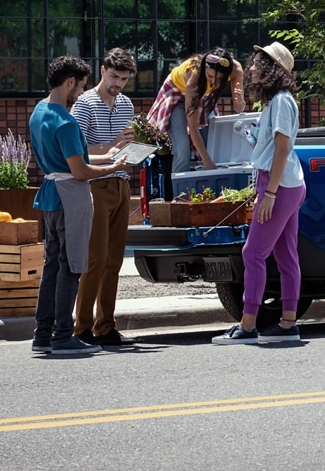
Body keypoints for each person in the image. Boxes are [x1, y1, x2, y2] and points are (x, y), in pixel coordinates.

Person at [29, 55, 129, 355]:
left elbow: (77, 158)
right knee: (72, 268)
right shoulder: (66, 120)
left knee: (51, 268)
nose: (81, 92)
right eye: (81, 85)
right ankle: (63, 335)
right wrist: (113, 169)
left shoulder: (40, 112)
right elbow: (81, 171)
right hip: (71, 199)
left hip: (49, 194)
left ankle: (43, 334)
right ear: (70, 82)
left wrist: (110, 156)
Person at [212, 41, 305, 345]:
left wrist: (270, 193)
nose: (251, 67)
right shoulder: (278, 101)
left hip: (278, 185)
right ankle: (288, 324)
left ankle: (248, 325)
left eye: (256, 63)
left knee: (252, 253)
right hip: (288, 184)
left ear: (270, 69)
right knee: (285, 256)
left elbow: (280, 149)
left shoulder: (280, 101)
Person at [70, 47, 138, 347]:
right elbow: (77, 150)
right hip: (96, 185)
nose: (118, 84)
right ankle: (82, 326)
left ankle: (105, 326)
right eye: (114, 77)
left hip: (122, 183)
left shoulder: (126, 104)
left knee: (114, 261)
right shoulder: (84, 104)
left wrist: (136, 149)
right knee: (95, 259)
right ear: (102, 70)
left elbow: (124, 148)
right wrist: (112, 146)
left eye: (123, 79)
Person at [146, 48, 246, 180]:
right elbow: (193, 127)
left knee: (212, 145)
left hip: (203, 96)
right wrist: (207, 161)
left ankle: (210, 187)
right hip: (177, 94)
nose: (213, 82)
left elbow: (239, 109)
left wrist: (240, 101)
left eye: (220, 79)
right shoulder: (194, 78)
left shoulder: (236, 70)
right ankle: (180, 193)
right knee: (182, 149)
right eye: (209, 76)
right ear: (204, 69)